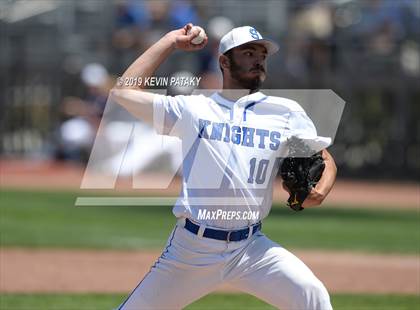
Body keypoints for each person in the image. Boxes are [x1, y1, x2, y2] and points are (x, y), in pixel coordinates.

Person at [111, 23, 337, 310]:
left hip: (251, 248)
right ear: (223, 61)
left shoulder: (285, 111)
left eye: (262, 55)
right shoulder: (193, 109)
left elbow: (325, 157)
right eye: (248, 52)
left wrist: (321, 189)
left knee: (312, 294)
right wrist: (169, 41)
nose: (258, 59)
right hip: (193, 249)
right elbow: (123, 93)